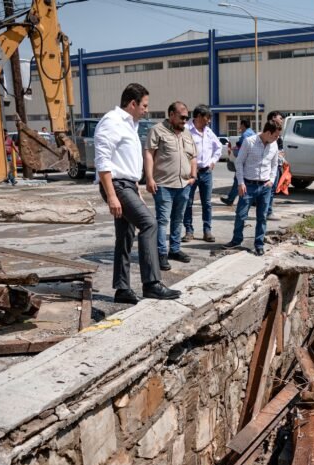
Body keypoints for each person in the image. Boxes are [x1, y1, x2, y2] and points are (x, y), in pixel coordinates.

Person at [95, 83, 181, 303]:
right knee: (150, 224)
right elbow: (103, 161)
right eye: (144, 105)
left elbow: (126, 162)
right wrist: (112, 195)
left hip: (127, 185)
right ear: (132, 104)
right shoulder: (112, 122)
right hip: (116, 185)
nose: (146, 109)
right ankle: (151, 283)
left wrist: (136, 189)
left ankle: (122, 290)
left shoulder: (131, 125)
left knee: (125, 235)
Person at [145, 101, 197, 271]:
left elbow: (193, 156)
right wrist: (149, 178)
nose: (185, 120)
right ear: (171, 114)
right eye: (182, 117)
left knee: (178, 219)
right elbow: (149, 155)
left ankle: (174, 249)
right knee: (162, 221)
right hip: (164, 185)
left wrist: (193, 176)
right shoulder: (157, 130)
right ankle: (161, 254)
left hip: (184, 184)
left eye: (187, 118)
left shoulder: (187, 134)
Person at [223, 120, 281, 256]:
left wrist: (271, 180)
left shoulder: (274, 145)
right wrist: (241, 183)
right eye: (275, 136)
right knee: (241, 215)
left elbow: (274, 164)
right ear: (268, 133)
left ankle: (259, 244)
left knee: (262, 217)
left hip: (265, 186)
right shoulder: (249, 142)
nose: (277, 139)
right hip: (248, 185)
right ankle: (236, 240)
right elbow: (239, 162)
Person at [183, 105, 221, 243]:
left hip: (206, 173)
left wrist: (212, 161)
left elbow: (218, 147)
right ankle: (189, 231)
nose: (209, 121)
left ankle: (207, 231)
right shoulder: (186, 130)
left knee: (207, 203)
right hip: (190, 173)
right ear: (198, 117)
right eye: (207, 118)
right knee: (188, 202)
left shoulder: (208, 131)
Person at [220, 119, 255, 206]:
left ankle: (230, 199)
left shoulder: (245, 135)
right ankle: (254, 200)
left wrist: (234, 149)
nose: (239, 127)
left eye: (240, 125)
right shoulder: (253, 133)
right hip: (251, 161)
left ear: (243, 125)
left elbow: (240, 147)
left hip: (244, 162)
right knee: (250, 181)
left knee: (237, 180)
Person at [264, 110, 285, 220]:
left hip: (277, 164)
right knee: (270, 190)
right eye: (280, 118)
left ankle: (266, 210)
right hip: (271, 165)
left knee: (271, 190)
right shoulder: (268, 132)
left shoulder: (278, 132)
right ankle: (268, 212)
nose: (282, 120)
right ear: (273, 118)